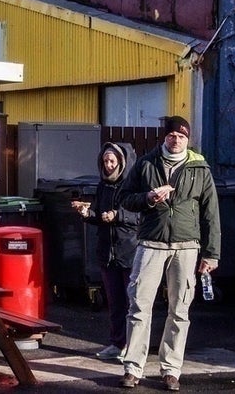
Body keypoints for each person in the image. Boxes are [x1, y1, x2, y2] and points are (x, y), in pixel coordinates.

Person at [118, 116, 221, 392]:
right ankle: (132, 368)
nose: (176, 140)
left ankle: (171, 370)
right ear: (165, 138)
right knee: (139, 306)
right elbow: (125, 198)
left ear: (188, 140)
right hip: (151, 243)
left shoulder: (199, 168)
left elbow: (211, 213)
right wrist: (149, 197)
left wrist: (211, 254)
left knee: (180, 310)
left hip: (187, 246)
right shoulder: (145, 163)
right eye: (172, 136)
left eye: (181, 136)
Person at [72, 142, 138, 360]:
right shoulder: (103, 186)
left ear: (122, 162)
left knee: (133, 303)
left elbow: (141, 216)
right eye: (105, 161)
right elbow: (100, 217)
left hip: (129, 251)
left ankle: (132, 346)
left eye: (112, 161)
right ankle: (117, 343)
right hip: (107, 252)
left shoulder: (133, 185)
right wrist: (86, 213)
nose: (108, 166)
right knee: (115, 302)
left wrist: (117, 216)